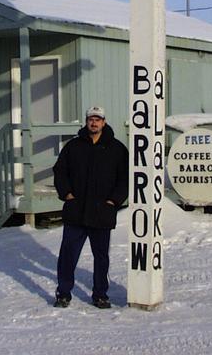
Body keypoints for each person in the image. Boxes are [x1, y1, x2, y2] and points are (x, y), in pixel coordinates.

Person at [52, 105, 129, 309]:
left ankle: (100, 294)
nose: (93, 123)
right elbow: (60, 171)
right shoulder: (74, 146)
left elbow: (125, 178)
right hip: (76, 212)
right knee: (68, 255)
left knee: (101, 257)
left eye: (98, 119)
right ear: (86, 122)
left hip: (102, 212)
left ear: (104, 122)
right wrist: (67, 195)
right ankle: (63, 292)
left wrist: (114, 201)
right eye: (90, 119)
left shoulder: (116, 148)